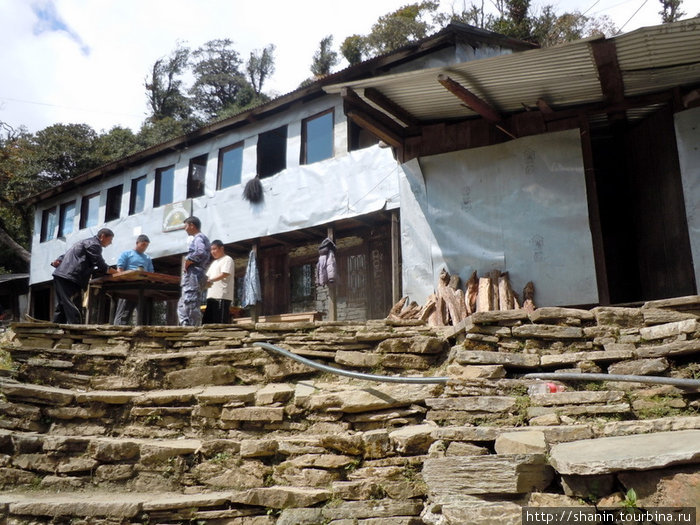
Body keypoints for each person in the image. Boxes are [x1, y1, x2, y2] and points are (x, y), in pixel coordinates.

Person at [51, 228, 117, 324]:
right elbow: (100, 264)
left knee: (63, 304)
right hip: (70, 277)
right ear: (103, 236)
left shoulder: (83, 242)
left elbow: (66, 255)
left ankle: (55, 328)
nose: (110, 243)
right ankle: (76, 331)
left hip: (62, 275)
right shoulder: (94, 244)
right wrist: (115, 272)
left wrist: (59, 260)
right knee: (72, 304)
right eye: (110, 240)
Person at [113, 234, 154, 325]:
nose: (144, 247)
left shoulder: (147, 258)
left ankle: (141, 334)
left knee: (143, 315)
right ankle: (117, 333)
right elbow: (120, 269)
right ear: (137, 243)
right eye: (143, 244)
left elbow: (151, 273)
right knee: (124, 313)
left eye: (146, 245)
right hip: (128, 287)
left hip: (143, 288)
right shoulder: (126, 254)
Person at [177, 216, 211, 326]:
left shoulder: (198, 237)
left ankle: (193, 327)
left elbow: (201, 252)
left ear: (192, 225)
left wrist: (189, 260)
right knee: (182, 302)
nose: (185, 228)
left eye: (186, 226)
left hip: (194, 273)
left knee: (190, 300)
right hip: (196, 273)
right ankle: (186, 324)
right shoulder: (200, 238)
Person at [203, 240, 234, 324]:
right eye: (211, 250)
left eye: (214, 249)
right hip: (211, 296)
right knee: (207, 322)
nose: (212, 252)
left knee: (220, 323)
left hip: (222, 296)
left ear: (222, 248)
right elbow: (207, 277)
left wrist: (211, 280)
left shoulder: (227, 259)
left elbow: (225, 274)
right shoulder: (214, 263)